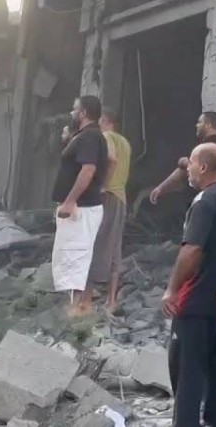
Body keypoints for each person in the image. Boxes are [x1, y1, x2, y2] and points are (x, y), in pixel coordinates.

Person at [162, 143, 216, 427]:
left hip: (196, 297)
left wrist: (172, 289)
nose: (188, 169)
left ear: (203, 167)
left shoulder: (205, 200)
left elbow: (192, 250)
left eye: (191, 163)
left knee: (186, 369)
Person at [51, 95, 109, 317]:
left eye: (74, 109)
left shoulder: (90, 136)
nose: (72, 113)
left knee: (75, 255)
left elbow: (88, 170)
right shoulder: (86, 136)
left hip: (81, 208)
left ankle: (77, 310)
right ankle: (76, 307)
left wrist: (70, 201)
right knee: (70, 254)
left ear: (83, 112)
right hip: (80, 207)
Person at [90, 109, 131, 313]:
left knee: (95, 243)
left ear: (105, 121)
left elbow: (112, 160)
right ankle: (111, 300)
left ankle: (86, 299)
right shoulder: (125, 142)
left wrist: (103, 186)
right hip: (121, 197)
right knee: (115, 247)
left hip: (109, 196)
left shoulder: (106, 136)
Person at [150, 111, 216, 204]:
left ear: (208, 124)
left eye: (200, 122)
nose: (196, 125)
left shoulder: (208, 147)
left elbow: (189, 170)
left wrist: (185, 163)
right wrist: (161, 188)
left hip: (202, 200)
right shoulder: (215, 145)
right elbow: (183, 172)